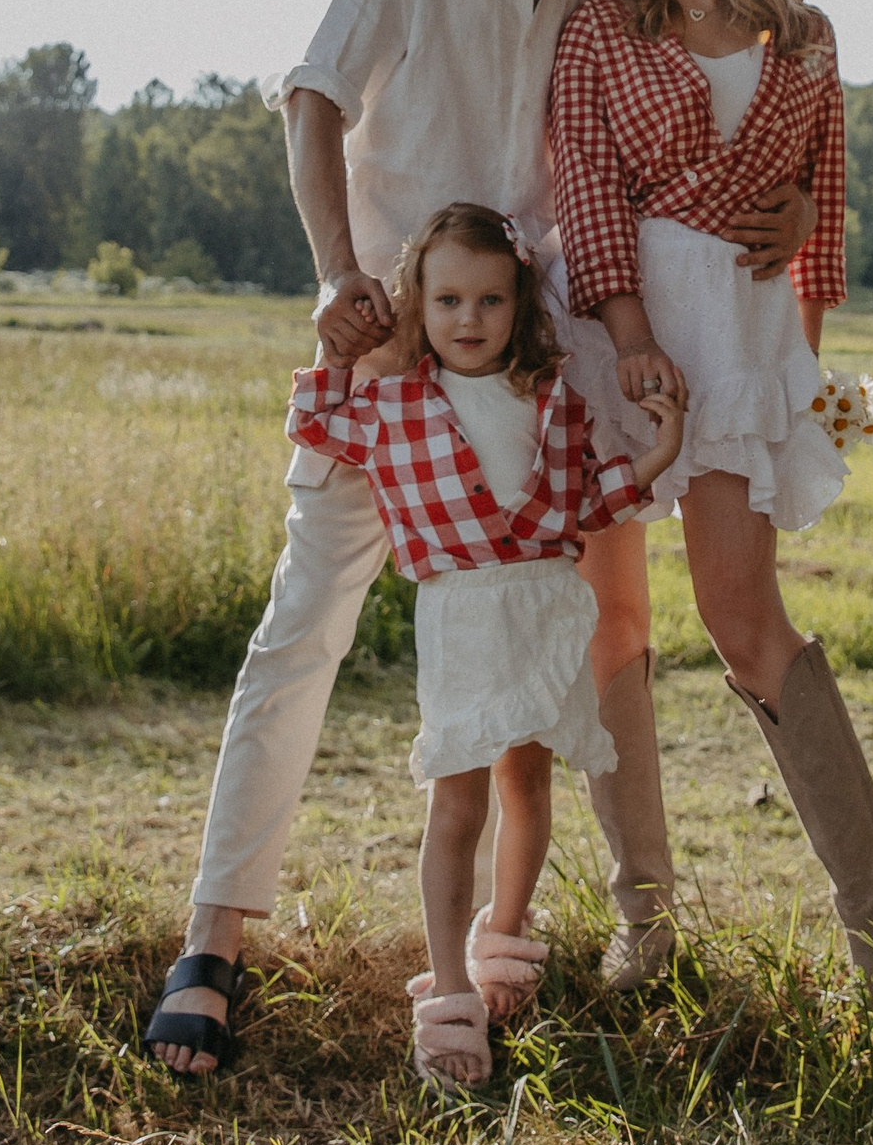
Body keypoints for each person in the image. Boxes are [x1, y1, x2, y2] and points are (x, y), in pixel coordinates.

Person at [140, 0, 816, 1074]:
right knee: (303, 629)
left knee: (534, 643)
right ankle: (213, 940)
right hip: (393, 349)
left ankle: (504, 938)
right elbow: (312, 95)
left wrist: (799, 202)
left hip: (536, 374)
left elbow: (724, 88)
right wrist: (341, 276)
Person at [549, 0, 873, 991]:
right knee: (614, 618)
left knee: (742, 616)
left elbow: (823, 205)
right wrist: (630, 333)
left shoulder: (802, 34)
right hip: (625, 328)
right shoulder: (600, 22)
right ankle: (642, 923)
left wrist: (801, 350)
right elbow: (587, 186)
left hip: (747, 340)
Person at [288, 202, 687, 1085]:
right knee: (458, 800)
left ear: (521, 307)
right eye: (449, 302)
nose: (470, 321)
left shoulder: (558, 404)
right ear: (419, 308)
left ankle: (506, 932)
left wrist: (661, 454)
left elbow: (592, 503)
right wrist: (336, 352)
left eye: (491, 302)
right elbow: (315, 427)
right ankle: (451, 990)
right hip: (464, 617)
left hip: (545, 611)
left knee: (531, 782)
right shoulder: (392, 406)